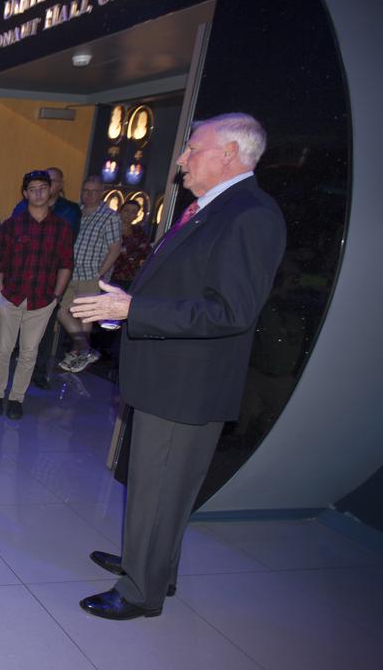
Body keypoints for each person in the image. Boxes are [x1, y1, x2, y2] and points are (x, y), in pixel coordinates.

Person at [72, 112, 286, 620]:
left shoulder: (249, 214)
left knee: (160, 484)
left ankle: (138, 591)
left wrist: (134, 310)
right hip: (170, 376)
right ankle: (151, 567)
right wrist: (128, 302)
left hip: (186, 385)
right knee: (157, 486)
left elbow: (230, 311)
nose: (183, 159)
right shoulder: (213, 209)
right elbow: (185, 288)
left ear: (230, 154)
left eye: (193, 148)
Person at [0, 170, 73, 419]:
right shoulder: (11, 225)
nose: (38, 192)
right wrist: (0, 292)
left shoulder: (61, 229)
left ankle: (16, 398)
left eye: (43, 188)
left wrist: (56, 296)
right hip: (11, 296)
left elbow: (66, 264)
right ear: (25, 194)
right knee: (3, 348)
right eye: (32, 188)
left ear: (51, 191)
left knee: (29, 353)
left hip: (43, 300)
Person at [57, 176, 123, 373]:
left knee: (85, 317)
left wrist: (99, 274)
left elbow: (115, 249)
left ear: (102, 193)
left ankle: (79, 354)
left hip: (91, 274)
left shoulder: (110, 216)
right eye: (86, 190)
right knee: (61, 310)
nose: (89, 194)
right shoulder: (77, 212)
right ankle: (84, 350)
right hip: (70, 272)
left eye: (94, 191)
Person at [110, 199, 152, 290]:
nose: (129, 214)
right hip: (110, 274)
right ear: (120, 211)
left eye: (133, 212)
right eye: (126, 210)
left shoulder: (138, 231)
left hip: (131, 277)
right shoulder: (111, 229)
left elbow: (145, 251)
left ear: (137, 215)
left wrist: (126, 250)